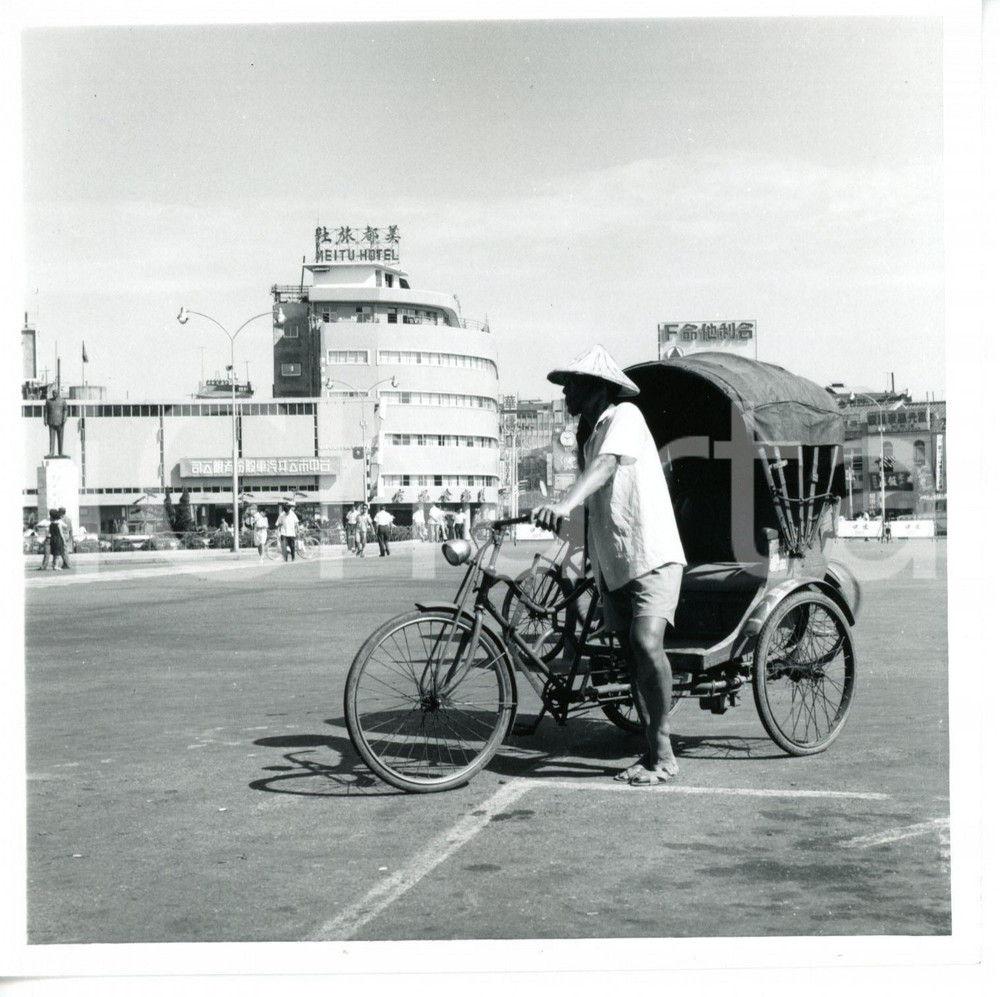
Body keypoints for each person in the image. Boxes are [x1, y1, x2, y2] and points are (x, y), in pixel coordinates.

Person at [532, 344, 686, 787]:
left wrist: (564, 501)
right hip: (614, 563)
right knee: (632, 659)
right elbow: (594, 500)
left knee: (646, 642)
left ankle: (665, 750)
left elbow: (605, 468)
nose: (566, 395)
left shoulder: (624, 417)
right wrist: (565, 542)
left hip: (651, 552)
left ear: (597, 389)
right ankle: (650, 753)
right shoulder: (588, 435)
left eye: (574, 386)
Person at [43, 385, 69, 457]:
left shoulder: (63, 401)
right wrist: (45, 419)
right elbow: (45, 411)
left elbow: (66, 409)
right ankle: (51, 452)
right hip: (51, 422)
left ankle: (60, 452)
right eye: (53, 393)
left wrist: (65, 418)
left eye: (55, 393)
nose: (54, 394)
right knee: (51, 438)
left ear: (58, 393)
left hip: (60, 422)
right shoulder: (48, 401)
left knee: (60, 438)